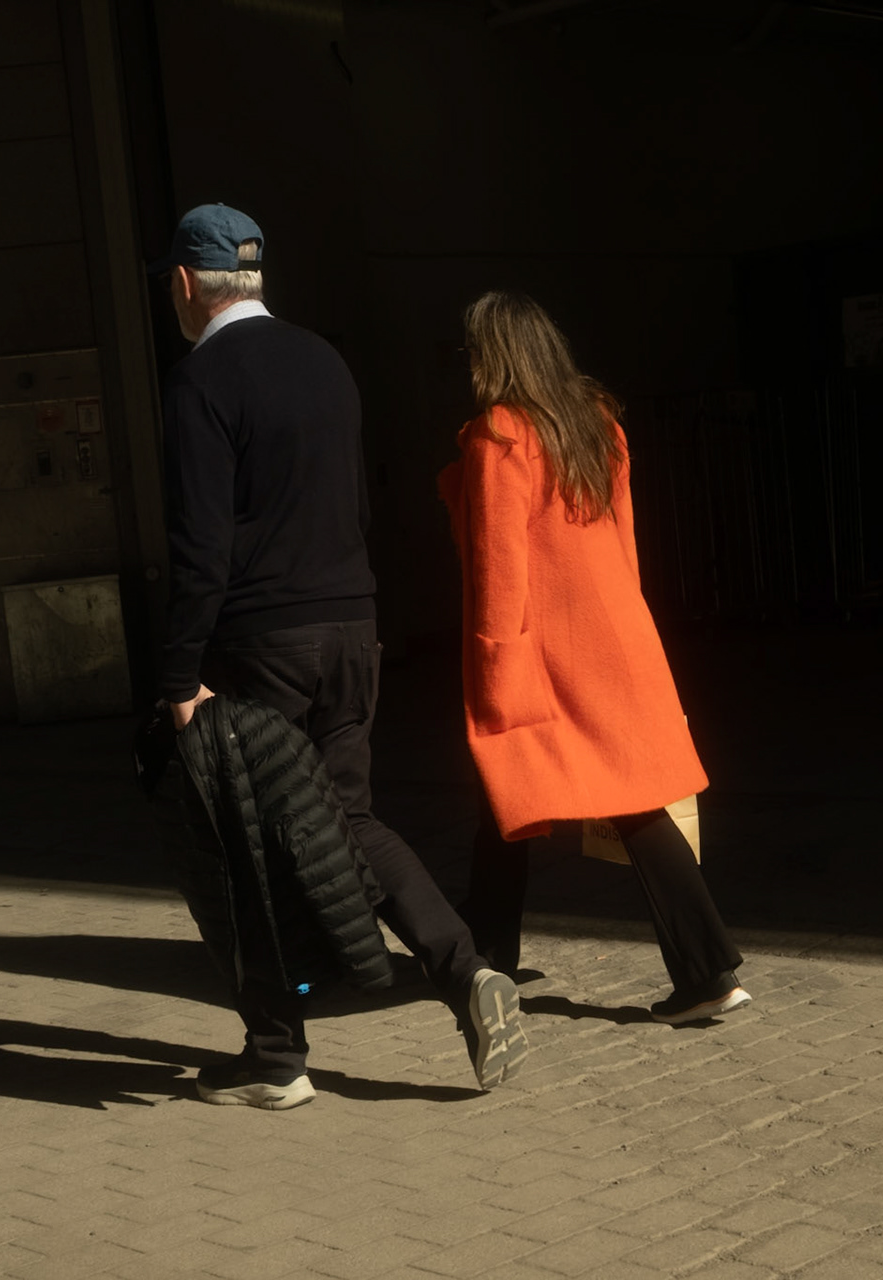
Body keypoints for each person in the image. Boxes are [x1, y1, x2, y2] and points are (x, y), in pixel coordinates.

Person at [151, 204, 529, 1109]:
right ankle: (465, 968)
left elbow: (201, 546)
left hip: (260, 642)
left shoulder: (199, 382)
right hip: (350, 626)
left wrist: (177, 675)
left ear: (185, 284)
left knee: (246, 844)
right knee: (349, 820)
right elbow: (356, 504)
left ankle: (275, 1057)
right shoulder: (325, 362)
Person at [439, 290, 751, 1025]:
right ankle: (700, 968)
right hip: (613, 636)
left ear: (493, 355)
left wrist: (493, 663)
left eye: (472, 348)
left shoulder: (500, 436)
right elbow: (624, 542)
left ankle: (489, 961)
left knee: (511, 790)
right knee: (620, 799)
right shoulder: (598, 424)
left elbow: (498, 569)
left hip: (543, 650)